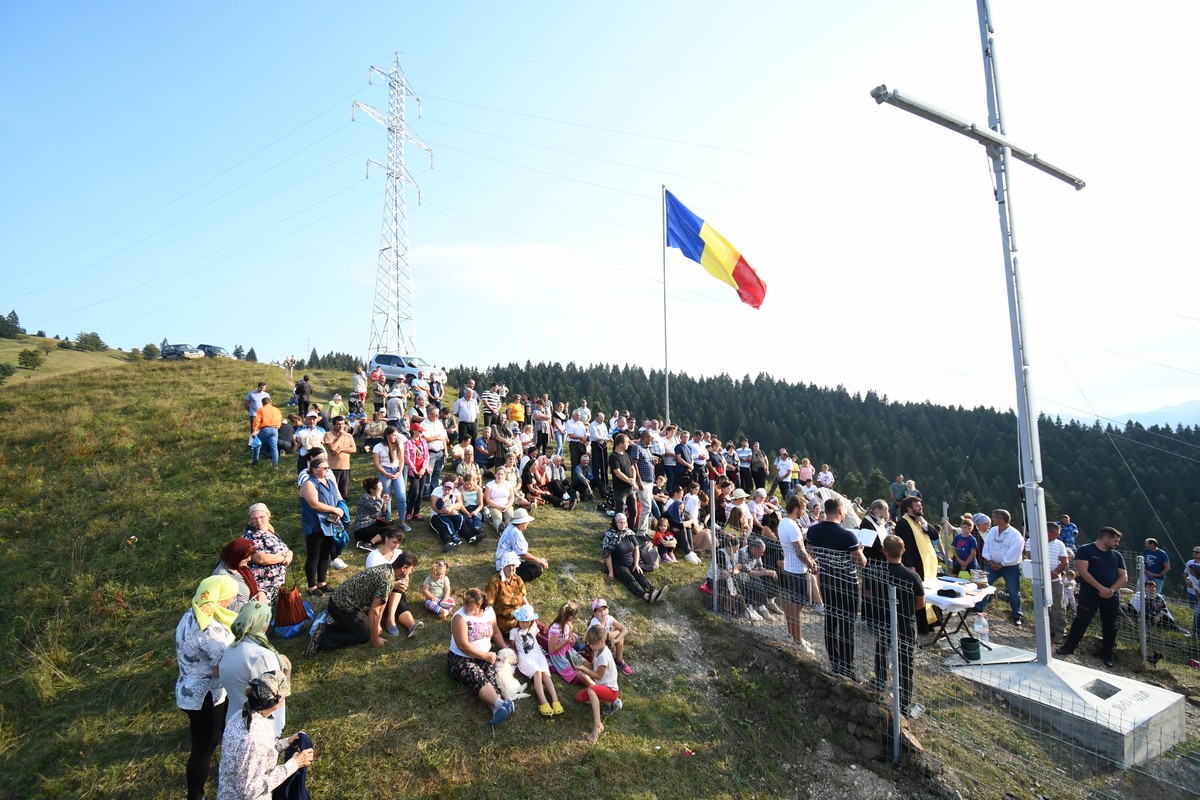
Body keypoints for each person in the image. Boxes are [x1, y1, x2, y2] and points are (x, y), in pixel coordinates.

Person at [176, 574, 238, 800]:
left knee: (205, 738)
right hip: (205, 696)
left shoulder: (193, 612)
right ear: (218, 599)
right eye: (230, 597)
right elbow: (220, 669)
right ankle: (195, 794)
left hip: (187, 688)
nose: (233, 600)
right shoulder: (209, 631)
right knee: (204, 746)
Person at [217, 672, 313, 800]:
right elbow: (248, 790)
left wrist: (286, 742)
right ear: (276, 702)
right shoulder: (254, 737)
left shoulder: (240, 716)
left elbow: (261, 754)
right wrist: (293, 765)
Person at [806, 497, 867, 680]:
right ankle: (847, 667)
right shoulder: (847, 535)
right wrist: (861, 549)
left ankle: (835, 663)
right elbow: (861, 561)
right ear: (840, 512)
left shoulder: (813, 530)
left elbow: (810, 551)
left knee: (831, 622)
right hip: (848, 585)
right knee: (847, 626)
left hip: (827, 582)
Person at [307, 556, 420, 654]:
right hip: (341, 607)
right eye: (411, 569)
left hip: (341, 601)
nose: (411, 572)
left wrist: (377, 626)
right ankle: (322, 637)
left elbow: (380, 598)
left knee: (370, 627)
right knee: (363, 636)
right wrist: (375, 639)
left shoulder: (387, 569)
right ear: (404, 568)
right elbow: (374, 611)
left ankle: (338, 622)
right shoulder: (387, 580)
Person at [871, 534, 925, 719]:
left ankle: (880, 682)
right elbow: (921, 604)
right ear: (903, 551)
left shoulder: (875, 571)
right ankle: (904, 702)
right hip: (906, 622)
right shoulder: (912, 576)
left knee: (881, 649)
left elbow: (869, 594)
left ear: (884, 551)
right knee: (906, 660)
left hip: (884, 618)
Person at [1057, 527, 1128, 668]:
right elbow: (1083, 571)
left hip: (1111, 595)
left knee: (1110, 625)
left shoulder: (1116, 555)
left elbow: (1124, 576)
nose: (1117, 544)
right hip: (1090, 594)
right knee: (1081, 620)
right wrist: (1100, 588)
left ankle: (1108, 654)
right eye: (1115, 540)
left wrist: (1111, 590)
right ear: (1105, 538)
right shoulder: (1086, 550)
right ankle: (1069, 647)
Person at [219, 602, 291, 737]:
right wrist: (288, 669)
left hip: (233, 718)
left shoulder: (231, 648)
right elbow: (275, 696)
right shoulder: (262, 656)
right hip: (257, 726)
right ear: (261, 624)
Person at [447, 586, 515, 726]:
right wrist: (484, 656)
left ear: (478, 605)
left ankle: (496, 710)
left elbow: (495, 631)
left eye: (468, 604)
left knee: (491, 677)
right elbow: (463, 646)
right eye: (464, 602)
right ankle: (501, 704)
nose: (464, 606)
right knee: (476, 676)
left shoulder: (489, 612)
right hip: (460, 658)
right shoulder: (460, 618)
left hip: (485, 655)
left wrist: (506, 649)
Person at [894, 496, 941, 634]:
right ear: (909, 508)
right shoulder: (903, 523)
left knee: (931, 592)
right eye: (917, 506)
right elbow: (905, 546)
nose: (920, 508)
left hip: (928, 564)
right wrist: (909, 565)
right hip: (917, 564)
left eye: (920, 505)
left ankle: (932, 620)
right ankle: (922, 625)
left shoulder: (921, 521)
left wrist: (924, 523)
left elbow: (934, 536)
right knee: (919, 595)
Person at [298, 459, 344, 597]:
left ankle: (322, 582)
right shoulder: (308, 484)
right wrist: (335, 509)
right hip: (315, 524)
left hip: (329, 523)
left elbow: (336, 498)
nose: (327, 470)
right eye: (324, 468)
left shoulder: (329, 482)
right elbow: (314, 504)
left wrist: (340, 510)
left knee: (325, 553)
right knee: (314, 555)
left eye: (328, 468)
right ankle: (311, 586)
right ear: (315, 469)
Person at [777, 497, 818, 654]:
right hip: (798, 569)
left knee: (792, 602)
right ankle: (798, 641)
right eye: (803, 509)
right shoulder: (792, 526)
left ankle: (791, 634)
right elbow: (800, 550)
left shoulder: (784, 522)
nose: (805, 512)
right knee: (797, 606)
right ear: (796, 509)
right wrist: (811, 564)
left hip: (790, 566)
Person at [509, 604, 563, 718]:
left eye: (527, 621)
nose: (525, 624)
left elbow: (539, 634)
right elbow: (513, 646)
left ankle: (555, 700)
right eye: (522, 621)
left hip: (538, 655)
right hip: (525, 656)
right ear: (518, 620)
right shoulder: (514, 632)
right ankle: (543, 701)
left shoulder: (533, 628)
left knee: (546, 675)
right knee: (537, 673)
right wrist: (515, 655)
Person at [602, 513, 667, 605]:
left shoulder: (629, 533)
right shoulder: (609, 536)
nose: (623, 524)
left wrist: (636, 564)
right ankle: (646, 596)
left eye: (624, 522)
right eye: (620, 522)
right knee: (629, 578)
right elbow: (607, 554)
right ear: (615, 523)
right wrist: (611, 572)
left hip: (631, 562)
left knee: (639, 574)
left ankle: (654, 591)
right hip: (618, 564)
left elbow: (636, 548)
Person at [573, 623, 621, 744]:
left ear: (602, 640)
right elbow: (593, 667)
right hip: (601, 688)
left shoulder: (604, 655)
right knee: (579, 698)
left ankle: (597, 725)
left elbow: (598, 675)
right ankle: (608, 704)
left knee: (591, 690)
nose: (590, 646)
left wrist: (584, 669)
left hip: (610, 691)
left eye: (592, 643)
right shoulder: (597, 650)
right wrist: (582, 663)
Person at [982, 508, 1025, 627]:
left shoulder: (1015, 535)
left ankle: (1016, 615)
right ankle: (979, 607)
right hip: (992, 564)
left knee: (1013, 591)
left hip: (1010, 567)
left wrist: (1003, 564)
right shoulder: (993, 531)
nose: (992, 519)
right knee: (984, 585)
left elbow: (1014, 553)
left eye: (993, 517)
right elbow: (987, 545)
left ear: (1000, 519)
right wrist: (990, 560)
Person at [242, 503, 293, 605]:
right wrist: (284, 558)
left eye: (262, 517)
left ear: (268, 516)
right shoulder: (251, 535)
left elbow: (282, 548)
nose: (259, 521)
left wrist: (290, 553)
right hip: (261, 585)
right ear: (250, 519)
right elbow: (260, 558)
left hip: (273, 584)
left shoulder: (269, 530)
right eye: (254, 518)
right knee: (262, 612)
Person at [214, 538, 269, 612]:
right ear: (237, 556)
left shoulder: (238, 566)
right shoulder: (222, 577)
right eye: (246, 558)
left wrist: (261, 592)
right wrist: (256, 602)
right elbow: (232, 608)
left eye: (250, 555)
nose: (249, 559)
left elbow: (251, 584)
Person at [737, 536, 784, 620]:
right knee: (757, 580)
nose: (762, 554)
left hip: (753, 572)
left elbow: (760, 567)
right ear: (753, 549)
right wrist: (765, 572)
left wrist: (769, 572)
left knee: (771, 575)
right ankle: (762, 608)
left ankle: (771, 602)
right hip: (744, 575)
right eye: (761, 552)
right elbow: (749, 573)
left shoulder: (756, 553)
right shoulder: (743, 553)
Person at [373, 426, 410, 532]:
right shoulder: (378, 447)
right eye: (393, 435)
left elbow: (402, 460)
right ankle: (388, 519)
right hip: (384, 471)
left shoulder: (399, 445)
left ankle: (402, 521)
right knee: (387, 496)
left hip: (397, 471)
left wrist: (399, 472)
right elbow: (376, 463)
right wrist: (385, 473)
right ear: (387, 435)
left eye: (396, 435)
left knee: (402, 497)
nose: (395, 437)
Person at [495, 508, 546, 582]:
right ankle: (515, 582)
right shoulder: (515, 533)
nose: (528, 523)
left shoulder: (511, 527)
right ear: (522, 522)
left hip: (503, 562)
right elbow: (523, 555)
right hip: (507, 566)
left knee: (535, 563)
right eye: (526, 521)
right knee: (537, 567)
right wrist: (540, 561)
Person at [485, 552, 528, 638]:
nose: (511, 568)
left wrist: (528, 612)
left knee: (535, 627)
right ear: (503, 566)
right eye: (508, 565)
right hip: (502, 622)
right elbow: (489, 606)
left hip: (519, 618)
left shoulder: (518, 579)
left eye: (513, 565)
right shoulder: (495, 582)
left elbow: (524, 599)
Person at [1044, 521, 1071, 644]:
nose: (1058, 536)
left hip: (1055, 580)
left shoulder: (1059, 544)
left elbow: (1064, 562)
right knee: (1043, 606)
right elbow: (1031, 558)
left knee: (1058, 606)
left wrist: (1055, 573)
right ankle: (1047, 630)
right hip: (1039, 580)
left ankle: (1060, 631)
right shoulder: (1033, 541)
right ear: (1049, 532)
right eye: (1056, 533)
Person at [322, 415, 357, 500]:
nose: (341, 426)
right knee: (333, 490)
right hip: (333, 467)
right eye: (338, 424)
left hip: (345, 467)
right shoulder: (328, 435)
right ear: (334, 425)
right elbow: (333, 448)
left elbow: (354, 449)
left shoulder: (349, 436)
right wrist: (340, 437)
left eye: (343, 424)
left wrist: (341, 449)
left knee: (344, 491)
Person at [354, 476, 392, 551]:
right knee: (389, 531)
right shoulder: (365, 498)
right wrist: (379, 498)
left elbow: (380, 514)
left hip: (371, 524)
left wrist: (384, 503)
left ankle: (368, 541)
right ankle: (368, 544)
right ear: (372, 490)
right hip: (362, 529)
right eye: (380, 487)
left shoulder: (376, 498)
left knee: (391, 526)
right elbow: (375, 509)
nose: (382, 489)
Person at [431, 479, 466, 549]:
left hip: (452, 515)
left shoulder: (453, 496)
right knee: (448, 524)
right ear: (443, 489)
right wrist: (444, 499)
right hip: (442, 516)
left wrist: (452, 509)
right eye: (445, 489)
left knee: (460, 518)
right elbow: (438, 507)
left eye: (449, 490)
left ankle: (456, 531)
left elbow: (459, 504)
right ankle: (452, 536)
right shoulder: (440, 497)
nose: (447, 491)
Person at [483, 465, 516, 537]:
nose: (500, 476)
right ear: (495, 475)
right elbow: (487, 499)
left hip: (507, 505)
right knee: (497, 517)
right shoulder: (489, 485)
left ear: (505, 476)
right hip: (494, 505)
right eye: (498, 474)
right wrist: (498, 506)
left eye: (502, 474)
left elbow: (511, 498)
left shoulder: (508, 484)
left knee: (509, 516)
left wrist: (507, 506)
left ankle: (510, 530)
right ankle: (499, 529)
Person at [249, 396, 282, 467]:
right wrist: (277, 427)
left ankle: (255, 462)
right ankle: (275, 464)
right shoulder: (277, 410)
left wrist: (255, 430)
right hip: (275, 429)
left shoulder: (261, 410)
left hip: (265, 429)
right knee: (274, 447)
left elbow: (256, 421)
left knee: (257, 445)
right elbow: (280, 420)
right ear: (270, 402)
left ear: (263, 403)